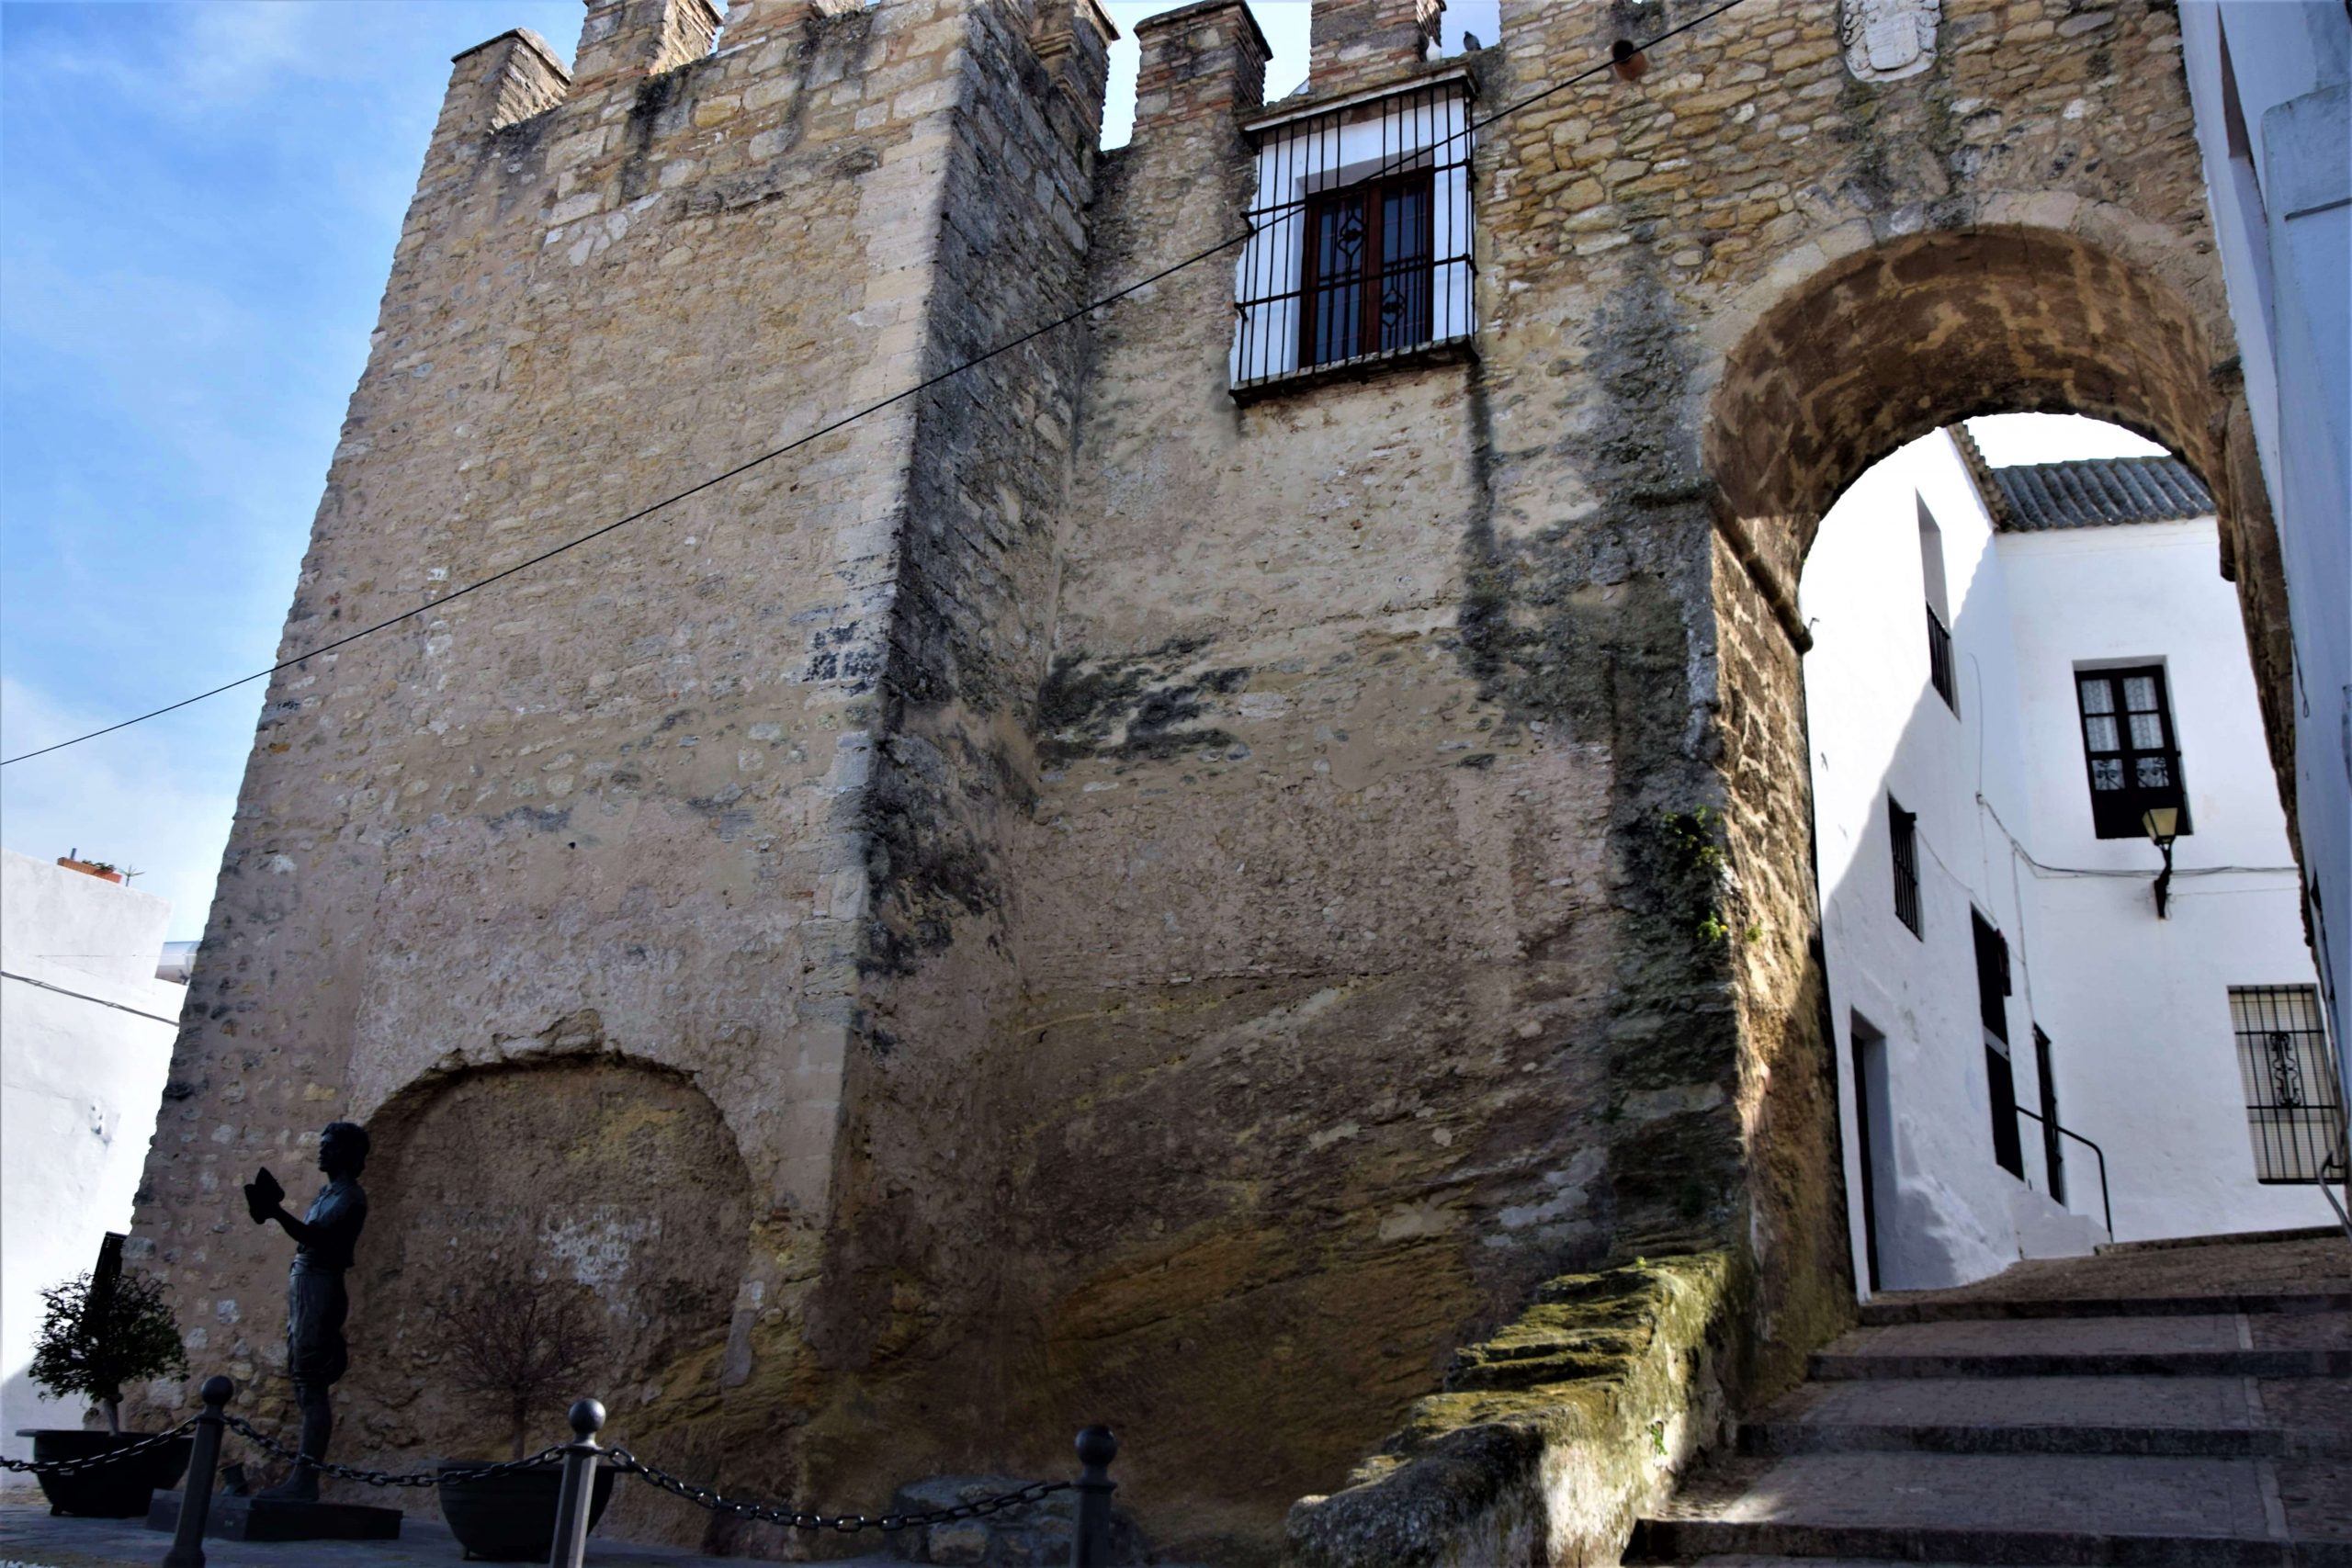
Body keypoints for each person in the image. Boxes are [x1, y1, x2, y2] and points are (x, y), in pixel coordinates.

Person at [243, 1122, 370, 1502]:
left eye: (328, 1146)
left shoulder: (351, 1197)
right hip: (304, 1283)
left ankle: (305, 1480)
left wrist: (277, 1212)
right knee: (302, 1380)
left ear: (346, 1154)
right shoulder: (324, 1194)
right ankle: (302, 1476)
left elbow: (318, 1238)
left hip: (321, 1285)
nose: (321, 1151)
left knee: (311, 1382)